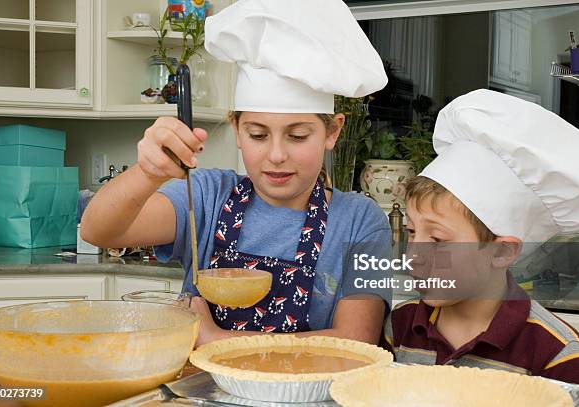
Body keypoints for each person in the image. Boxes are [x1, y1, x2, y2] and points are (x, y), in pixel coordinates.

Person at [81, 0, 392, 346]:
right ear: (237, 128)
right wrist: (149, 172)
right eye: (258, 134)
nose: (276, 155)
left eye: (298, 135)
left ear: (332, 132)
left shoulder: (362, 221)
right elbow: (98, 230)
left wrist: (215, 339)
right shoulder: (207, 196)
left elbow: (357, 341)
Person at [384, 89, 579, 387]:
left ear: (501, 252)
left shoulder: (557, 354)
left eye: (439, 240)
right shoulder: (400, 326)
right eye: (412, 231)